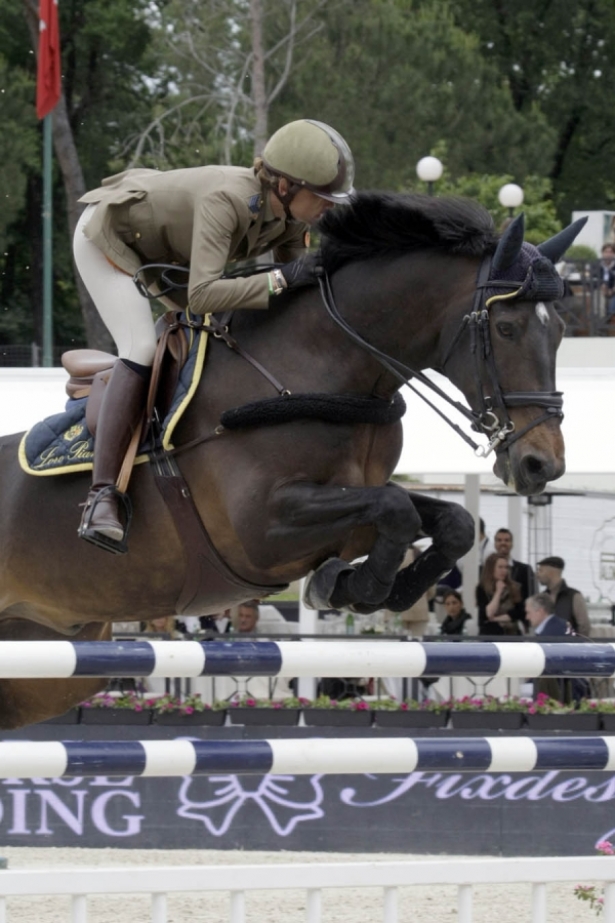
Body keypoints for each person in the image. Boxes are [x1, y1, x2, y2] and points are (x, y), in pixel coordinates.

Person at [73, 119, 355, 551]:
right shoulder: (228, 200)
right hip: (109, 239)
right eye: (321, 197)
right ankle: (102, 496)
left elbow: (296, 287)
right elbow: (206, 294)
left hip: (166, 255)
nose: (328, 208)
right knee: (142, 347)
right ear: (284, 186)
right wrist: (283, 280)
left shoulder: (289, 216)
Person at [525, 592, 590, 703]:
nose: (527, 617)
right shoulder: (561, 625)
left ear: (540, 611)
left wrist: (528, 685)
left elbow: (543, 665)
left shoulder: (548, 633)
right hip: (576, 686)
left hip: (562, 691)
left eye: (529, 612)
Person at [536, 555, 591, 636]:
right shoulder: (542, 597)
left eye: (541, 571)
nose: (537, 574)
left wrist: (576, 645)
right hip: (546, 647)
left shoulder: (574, 596)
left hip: (568, 647)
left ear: (551, 573)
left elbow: (584, 627)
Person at [476, 553, 525, 636]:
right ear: (491, 569)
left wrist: (495, 619)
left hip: (512, 633)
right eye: (500, 567)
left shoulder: (515, 587)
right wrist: (498, 592)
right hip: (490, 632)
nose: (504, 571)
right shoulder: (482, 588)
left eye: (506, 567)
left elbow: (518, 613)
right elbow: (488, 613)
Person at [493, 528, 536, 620]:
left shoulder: (525, 570)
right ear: (495, 544)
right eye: (499, 540)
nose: (503, 543)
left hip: (517, 622)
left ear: (512, 544)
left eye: (506, 540)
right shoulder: (484, 569)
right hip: (490, 624)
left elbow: (531, 598)